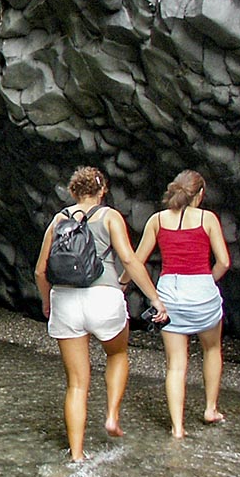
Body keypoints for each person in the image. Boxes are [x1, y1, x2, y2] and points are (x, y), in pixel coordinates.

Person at [34, 166, 168, 461]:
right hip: (104, 298)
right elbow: (130, 261)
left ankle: (77, 455)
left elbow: (40, 270)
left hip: (66, 301)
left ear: (72, 192)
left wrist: (47, 302)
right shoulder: (109, 216)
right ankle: (111, 415)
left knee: (77, 384)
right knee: (117, 355)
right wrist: (155, 299)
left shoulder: (58, 220)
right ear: (102, 191)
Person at [133, 170, 231, 437]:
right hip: (201, 293)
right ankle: (210, 409)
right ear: (199, 195)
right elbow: (224, 262)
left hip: (170, 297)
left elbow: (136, 261)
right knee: (212, 350)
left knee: (176, 364)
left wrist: (121, 282)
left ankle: (177, 428)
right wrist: (208, 280)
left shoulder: (158, 220)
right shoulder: (207, 219)